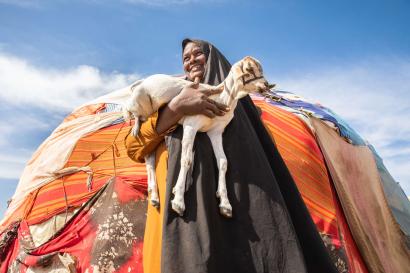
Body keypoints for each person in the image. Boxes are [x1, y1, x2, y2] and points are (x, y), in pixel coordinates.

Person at [126, 39, 338, 273]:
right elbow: (133, 148)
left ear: (213, 58)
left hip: (235, 227)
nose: (191, 61)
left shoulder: (244, 113)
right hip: (174, 224)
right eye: (186, 58)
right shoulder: (162, 100)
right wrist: (177, 108)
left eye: (198, 54)